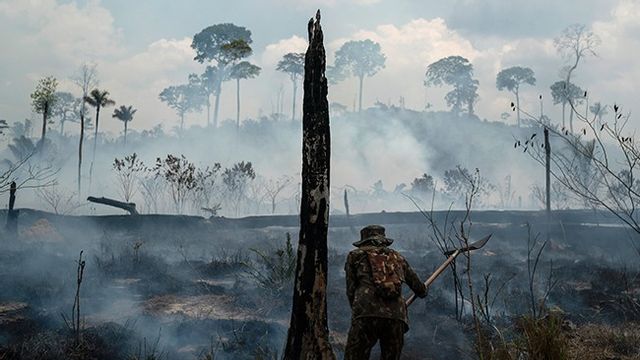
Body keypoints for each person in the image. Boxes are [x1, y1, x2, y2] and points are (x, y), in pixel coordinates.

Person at [344, 224, 428, 360]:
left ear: (364, 240)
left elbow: (351, 290)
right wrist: (423, 291)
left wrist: (358, 312)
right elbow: (419, 288)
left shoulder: (355, 256)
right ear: (383, 239)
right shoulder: (397, 257)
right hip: (396, 317)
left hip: (366, 314)